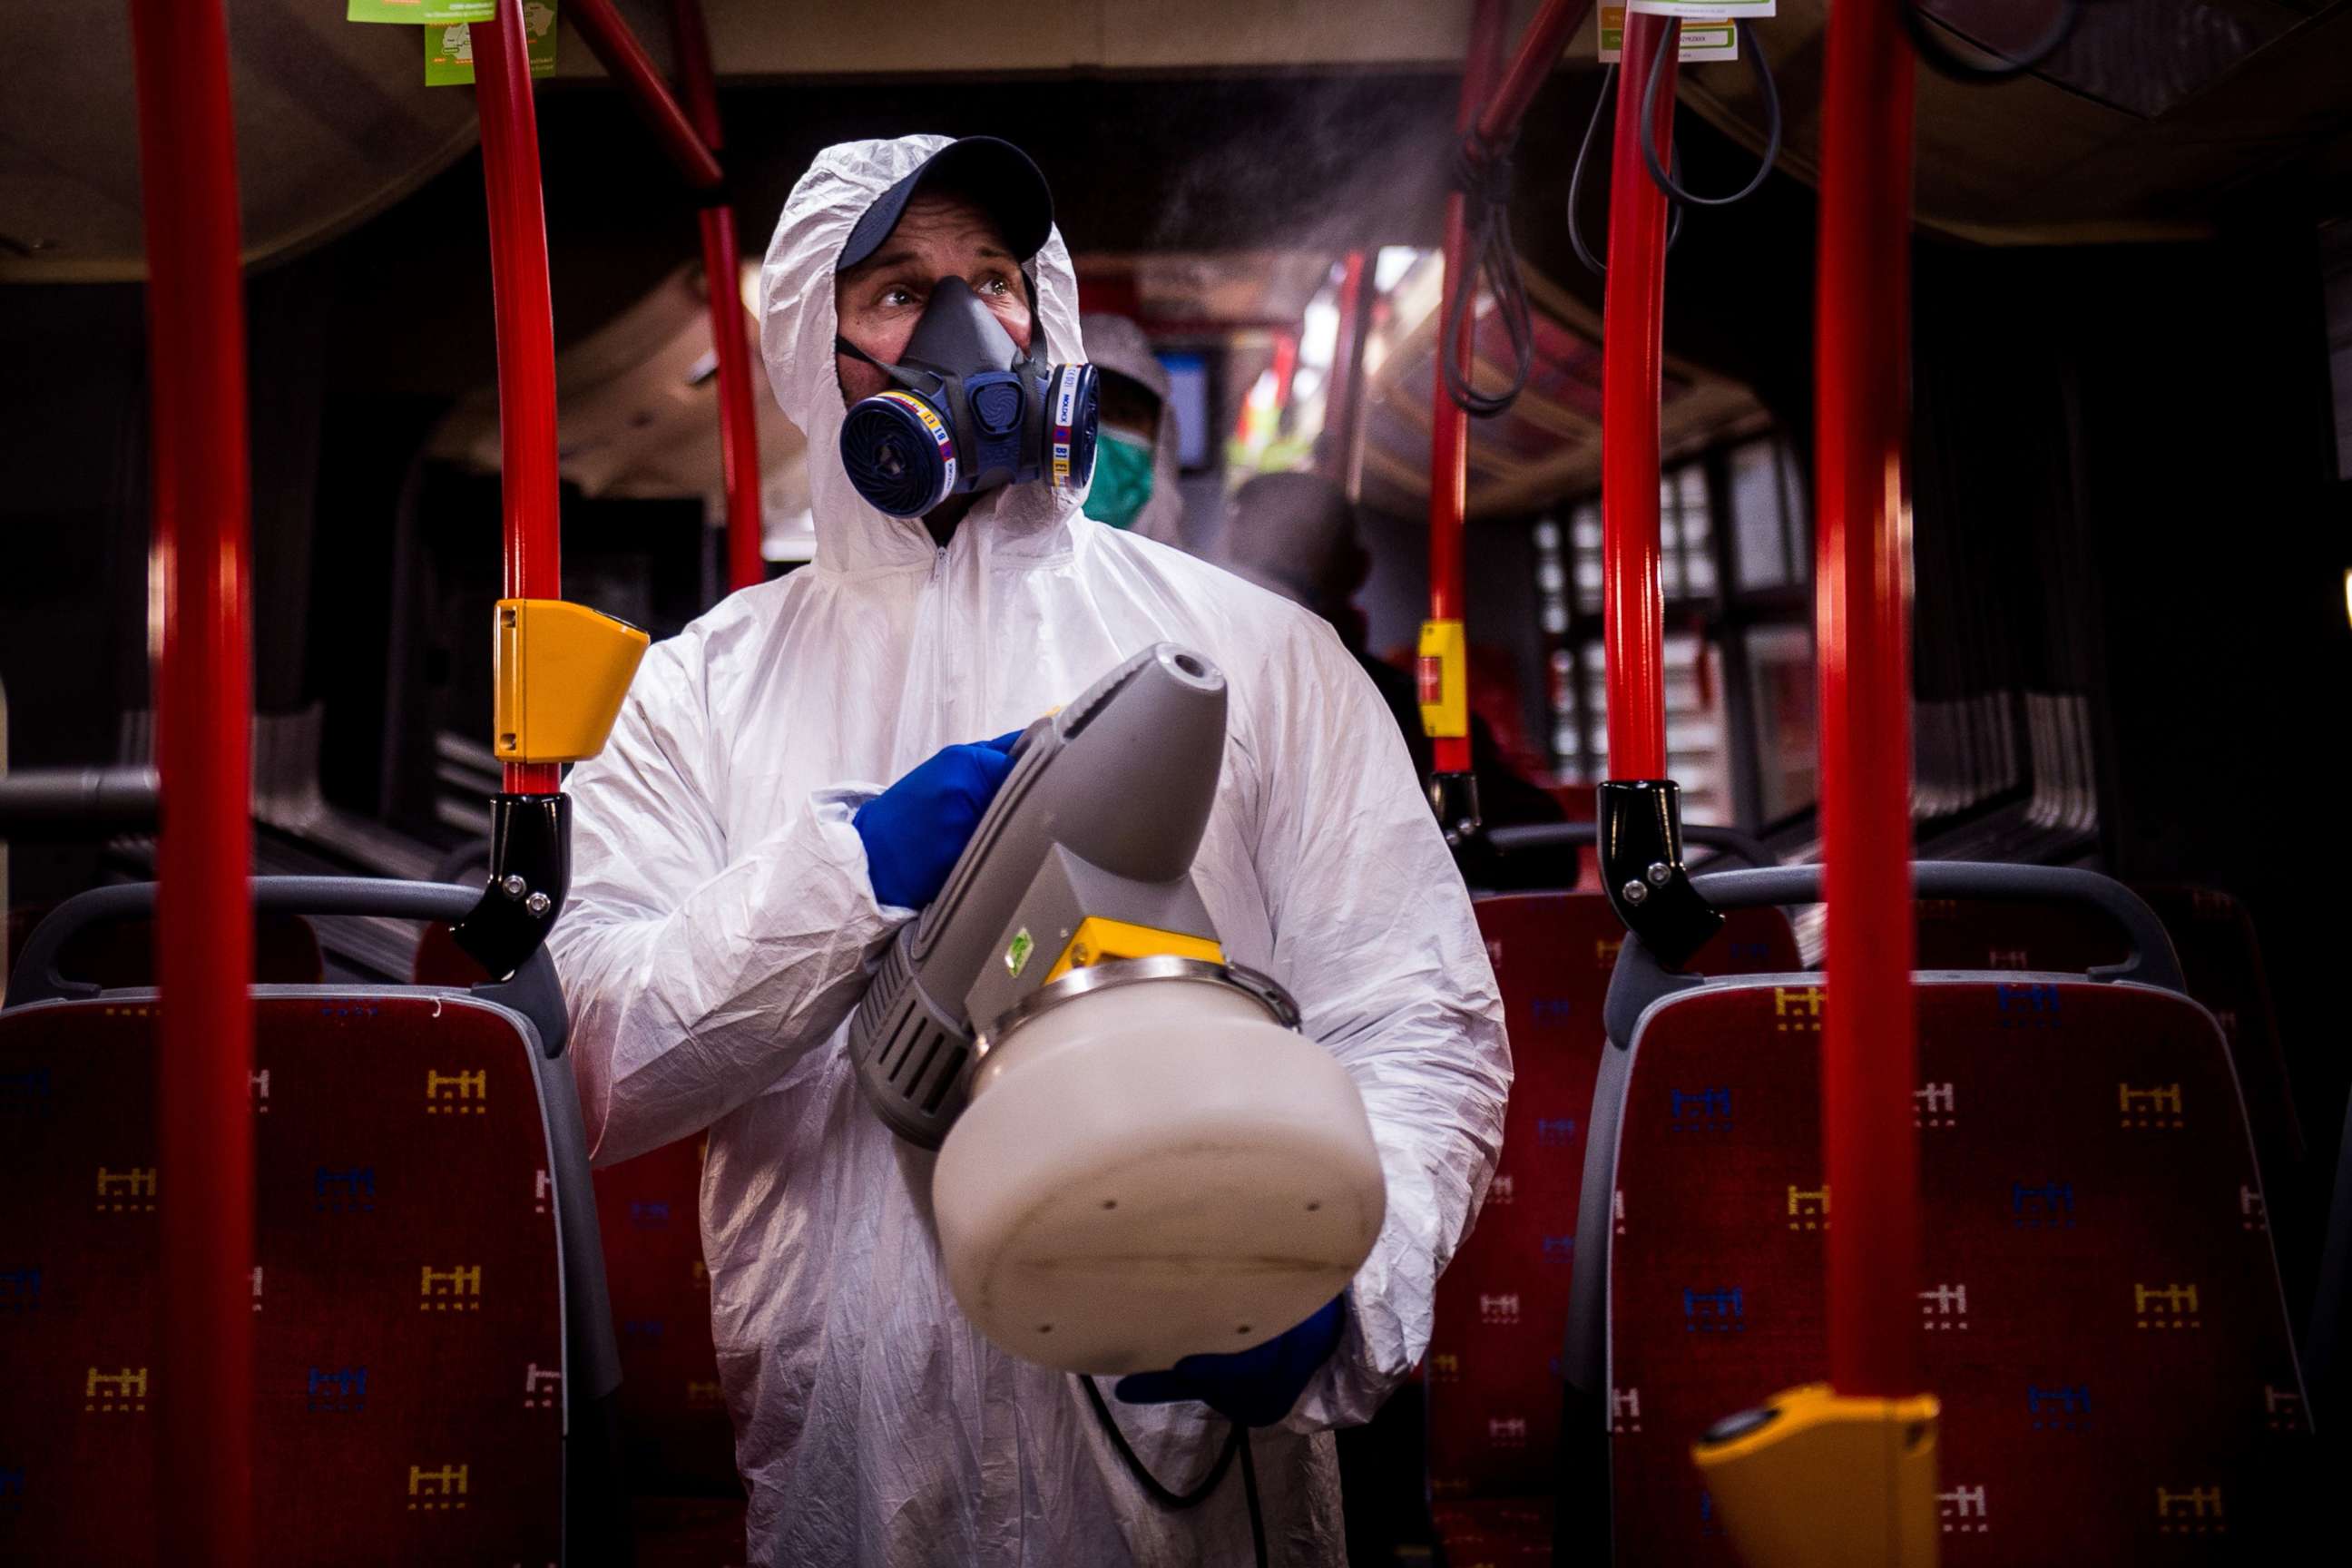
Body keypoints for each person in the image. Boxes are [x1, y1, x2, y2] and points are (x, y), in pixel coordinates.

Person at [548, 135, 1508, 1567]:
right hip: (858, 1463)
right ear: (816, 348)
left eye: (993, 279)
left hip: (1196, 1446)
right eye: (894, 292)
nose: (964, 326)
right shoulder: (705, 687)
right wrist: (849, 876)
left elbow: (1419, 1016)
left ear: (1044, 310)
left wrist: (1342, 1284)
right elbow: (603, 1060)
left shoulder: (1260, 656)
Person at [1208, 471, 1570, 889]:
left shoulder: (1182, 678)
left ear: (1224, 551)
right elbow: (1543, 851)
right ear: (1359, 569)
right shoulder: (1397, 707)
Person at [1076, 310, 1187, 544]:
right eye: (1083, 411)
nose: (1096, 434)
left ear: (1161, 443)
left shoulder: (1190, 579)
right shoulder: (989, 572)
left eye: (1122, 414)